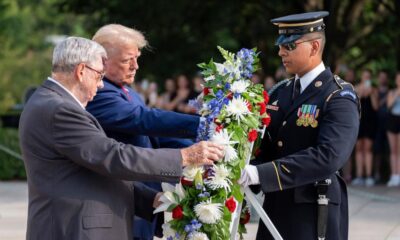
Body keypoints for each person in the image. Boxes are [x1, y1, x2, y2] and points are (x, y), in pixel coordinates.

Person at [19, 37, 223, 240]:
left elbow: (94, 169)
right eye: (99, 75)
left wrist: (152, 199)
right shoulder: (59, 109)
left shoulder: (52, 103)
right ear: (81, 71)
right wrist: (183, 157)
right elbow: (113, 156)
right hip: (72, 229)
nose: (100, 85)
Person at [239, 12, 360, 240]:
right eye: (281, 46)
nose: (281, 52)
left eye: (290, 46)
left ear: (314, 47)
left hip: (313, 210)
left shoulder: (337, 96)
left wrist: (260, 173)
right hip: (275, 207)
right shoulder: (280, 92)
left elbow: (329, 155)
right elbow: (268, 145)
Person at [86, 24, 202, 239]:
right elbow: (144, 120)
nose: (135, 66)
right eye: (126, 60)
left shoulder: (125, 90)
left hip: (142, 198)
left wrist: (201, 151)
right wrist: (202, 124)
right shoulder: (100, 94)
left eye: (136, 58)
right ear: (102, 60)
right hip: (122, 199)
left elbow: (155, 137)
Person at [353, 69, 378, 186]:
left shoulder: (374, 90)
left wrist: (372, 93)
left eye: (368, 77)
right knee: (358, 149)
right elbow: (354, 104)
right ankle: (359, 176)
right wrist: (361, 92)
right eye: (364, 76)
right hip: (358, 121)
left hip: (370, 122)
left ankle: (368, 175)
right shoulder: (355, 88)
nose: (366, 79)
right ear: (361, 78)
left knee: (367, 149)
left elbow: (376, 106)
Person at [386, 71, 400, 186]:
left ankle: (398, 175)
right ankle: (394, 175)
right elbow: (389, 105)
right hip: (392, 120)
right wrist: (397, 93)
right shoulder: (392, 92)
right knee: (393, 150)